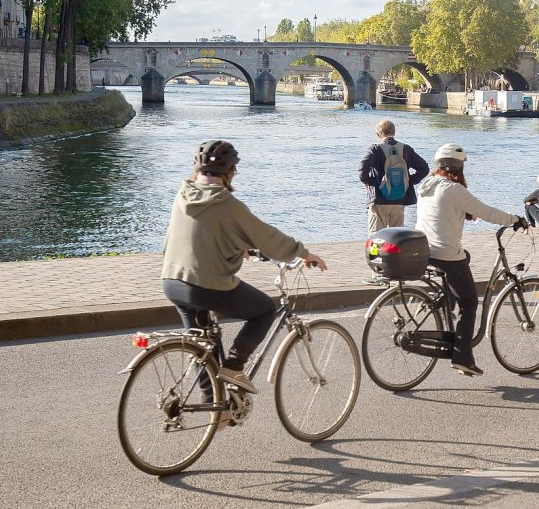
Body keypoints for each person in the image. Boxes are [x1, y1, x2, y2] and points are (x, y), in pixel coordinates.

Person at [161, 140, 328, 396]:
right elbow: (267, 237)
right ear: (229, 172)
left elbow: (200, 232)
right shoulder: (227, 204)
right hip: (204, 285)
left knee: (203, 344)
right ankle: (235, 366)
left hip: (172, 281)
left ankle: (213, 404)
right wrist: (303, 253)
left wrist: (237, 246)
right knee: (264, 310)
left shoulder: (183, 194)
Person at [415, 144, 526, 377]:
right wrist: (514, 219)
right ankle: (462, 357)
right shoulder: (454, 189)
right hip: (446, 254)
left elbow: (441, 212)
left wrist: (462, 212)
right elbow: (487, 212)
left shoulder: (426, 186)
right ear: (459, 167)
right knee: (470, 302)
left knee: (465, 257)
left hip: (426, 251)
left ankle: (447, 303)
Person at [359, 120, 430, 234]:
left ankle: (377, 253)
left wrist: (372, 183)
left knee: (376, 237)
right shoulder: (406, 149)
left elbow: (362, 171)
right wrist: (409, 181)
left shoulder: (375, 149)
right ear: (394, 132)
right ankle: (395, 252)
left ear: (378, 134)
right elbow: (424, 168)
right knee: (397, 236)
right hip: (400, 198)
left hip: (379, 199)